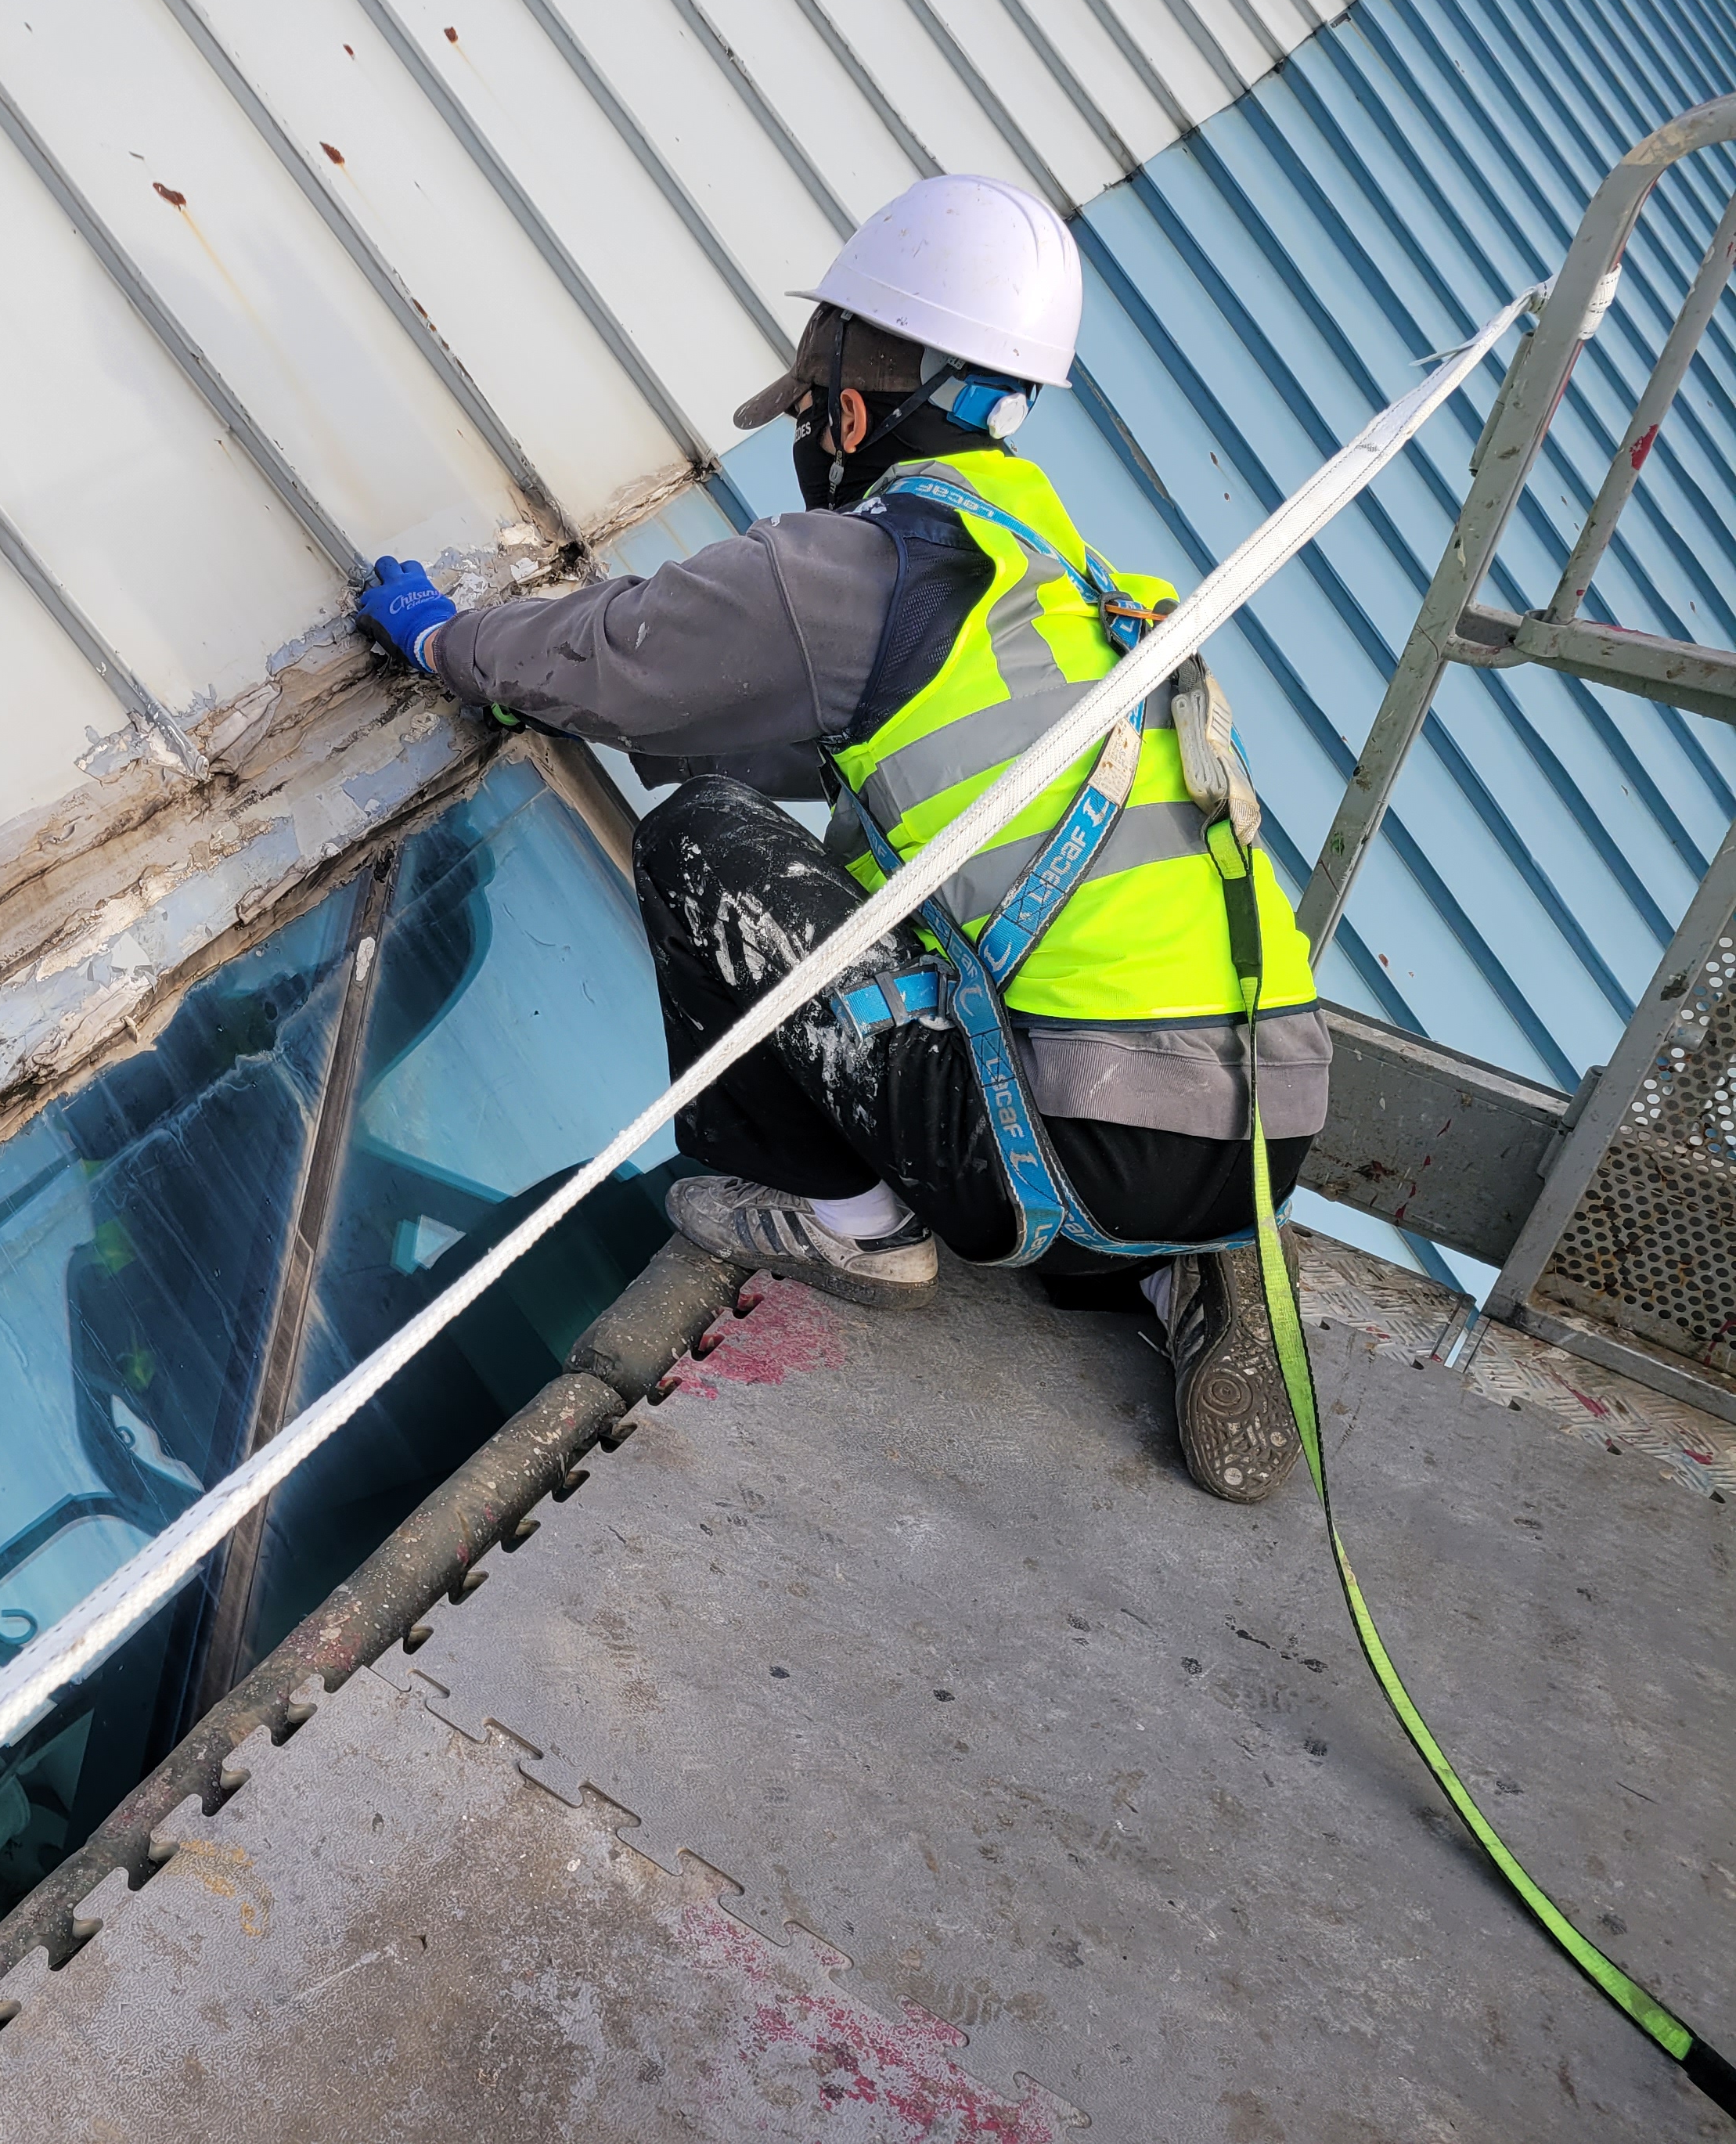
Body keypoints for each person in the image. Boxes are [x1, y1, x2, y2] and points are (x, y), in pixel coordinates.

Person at [355, 175, 1321, 1504]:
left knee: (704, 847)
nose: (808, 432)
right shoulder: (1081, 592)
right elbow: (817, 744)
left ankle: (852, 1220)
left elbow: (612, 659)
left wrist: (443, 639)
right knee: (968, 939)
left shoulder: (862, 568)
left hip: (1074, 1138)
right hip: (1270, 1118)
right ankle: (1168, 1263)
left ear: (854, 402)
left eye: (815, 402)